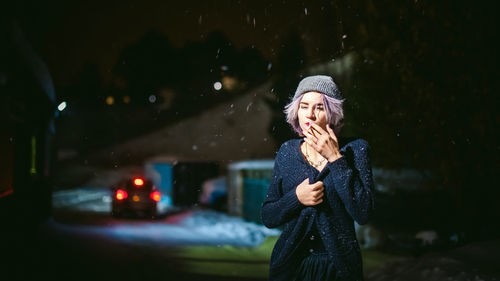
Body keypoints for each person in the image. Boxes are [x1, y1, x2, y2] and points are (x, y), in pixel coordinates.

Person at [261, 75, 375, 281]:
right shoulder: (287, 152)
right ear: (296, 110)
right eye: (304, 106)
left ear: (332, 113)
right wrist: (296, 198)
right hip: (291, 268)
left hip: (339, 269)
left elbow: (364, 212)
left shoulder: (355, 149)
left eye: (319, 108)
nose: (310, 115)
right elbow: (269, 216)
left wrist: (335, 158)